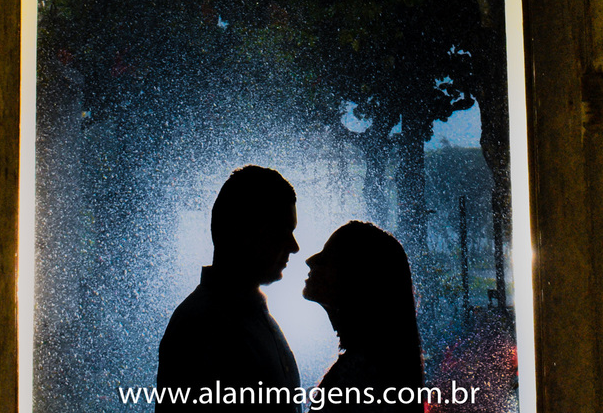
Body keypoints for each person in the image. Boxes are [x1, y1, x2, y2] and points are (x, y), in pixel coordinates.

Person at [156, 165, 302, 412]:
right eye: (281, 232)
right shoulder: (202, 326)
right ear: (243, 233)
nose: (294, 246)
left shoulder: (240, 316)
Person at [302, 221, 424, 412]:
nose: (310, 260)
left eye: (327, 257)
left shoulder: (356, 380)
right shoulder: (378, 372)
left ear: (356, 278)